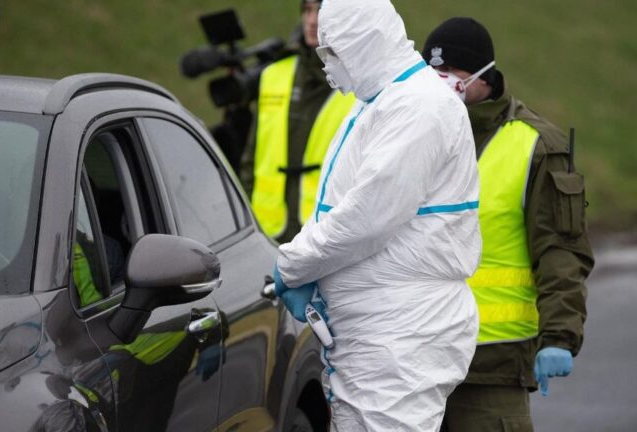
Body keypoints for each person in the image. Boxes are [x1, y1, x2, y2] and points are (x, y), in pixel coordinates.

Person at [273, 0, 482, 429]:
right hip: (380, 332)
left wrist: (293, 264)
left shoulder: (420, 108)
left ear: (362, 43)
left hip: (402, 334)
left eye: (333, 51)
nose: (326, 63)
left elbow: (367, 218)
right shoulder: (382, 100)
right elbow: (336, 202)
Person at [422, 17, 594, 432]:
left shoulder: (536, 146)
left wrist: (558, 336)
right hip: (412, 361)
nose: (442, 82)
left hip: (491, 366)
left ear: (485, 75)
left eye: (454, 73)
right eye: (433, 72)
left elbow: (560, 251)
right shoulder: (412, 133)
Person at [240, 0, 355, 243]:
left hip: (325, 235)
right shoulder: (274, 74)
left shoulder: (358, 84)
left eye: (320, 10)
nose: (312, 20)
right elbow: (251, 158)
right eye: (307, 10)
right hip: (266, 231)